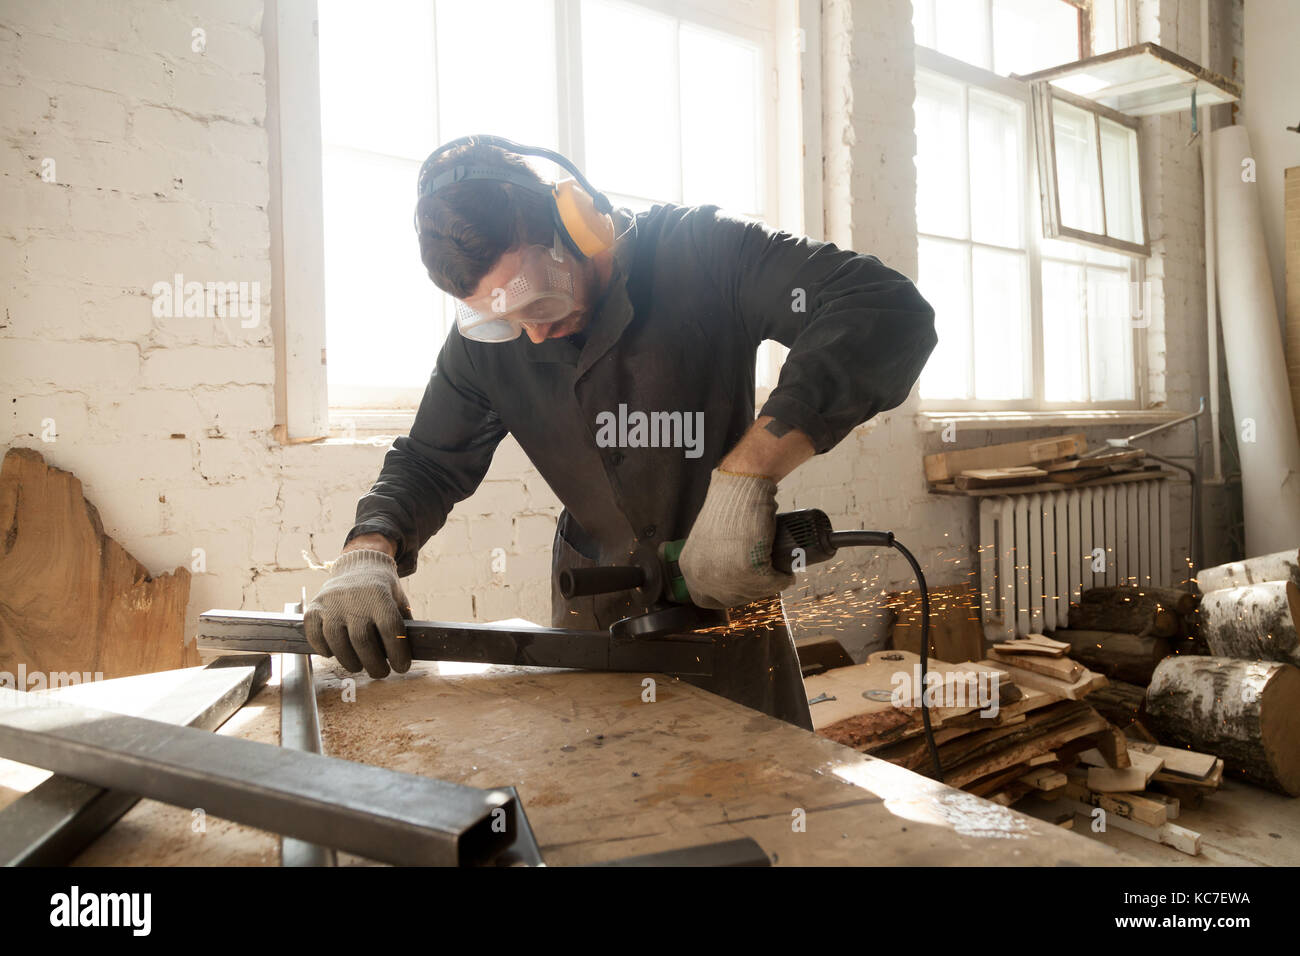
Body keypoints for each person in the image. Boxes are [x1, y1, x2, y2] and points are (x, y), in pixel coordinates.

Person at [304, 135, 937, 730]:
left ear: (577, 222)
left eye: (540, 304)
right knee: (602, 808)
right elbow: (429, 462)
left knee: (766, 797)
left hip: (723, 593)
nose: (532, 334)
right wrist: (369, 551)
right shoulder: (489, 340)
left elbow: (882, 309)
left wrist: (749, 474)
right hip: (593, 610)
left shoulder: (702, 253)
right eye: (503, 321)